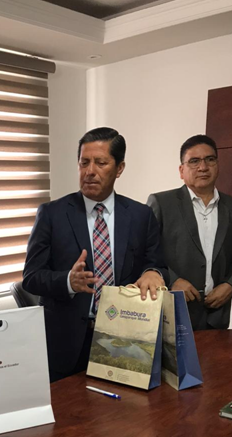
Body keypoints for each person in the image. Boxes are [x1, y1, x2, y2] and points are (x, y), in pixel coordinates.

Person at [23, 127, 168, 382]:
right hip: (65, 343)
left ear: (119, 168)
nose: (90, 171)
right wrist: (68, 282)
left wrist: (153, 272)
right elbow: (31, 277)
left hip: (123, 339)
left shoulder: (140, 216)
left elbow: (157, 264)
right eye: (84, 162)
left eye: (100, 163)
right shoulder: (52, 214)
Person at [147, 134, 232, 330]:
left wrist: (230, 285)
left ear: (218, 165)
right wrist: (172, 280)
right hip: (171, 313)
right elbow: (146, 253)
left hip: (217, 316)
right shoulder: (162, 203)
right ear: (181, 170)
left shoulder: (230, 206)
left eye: (210, 159)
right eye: (194, 161)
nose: (203, 167)